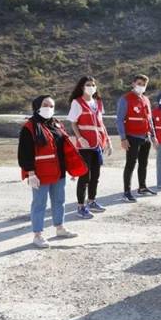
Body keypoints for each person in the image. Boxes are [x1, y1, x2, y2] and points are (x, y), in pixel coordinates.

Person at [19, 95, 87, 248]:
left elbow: (66, 149)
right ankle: (37, 235)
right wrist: (30, 172)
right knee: (39, 204)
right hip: (40, 174)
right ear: (37, 106)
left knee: (59, 201)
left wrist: (72, 169)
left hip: (59, 172)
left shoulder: (57, 124)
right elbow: (24, 153)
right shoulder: (29, 127)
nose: (49, 108)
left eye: (51, 106)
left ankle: (60, 228)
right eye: (45, 105)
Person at [67, 76, 112, 219]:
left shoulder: (98, 103)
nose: (91, 87)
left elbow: (101, 124)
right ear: (82, 87)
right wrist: (79, 137)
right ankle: (80, 206)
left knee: (96, 175)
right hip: (85, 145)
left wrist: (108, 141)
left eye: (93, 85)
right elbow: (73, 123)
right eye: (88, 84)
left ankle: (92, 201)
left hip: (97, 144)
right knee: (84, 176)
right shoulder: (77, 102)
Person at [117, 74, 157, 202]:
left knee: (143, 164)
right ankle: (127, 192)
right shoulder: (125, 99)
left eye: (144, 84)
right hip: (132, 137)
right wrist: (123, 138)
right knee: (130, 164)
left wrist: (153, 136)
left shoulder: (146, 99)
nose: (141, 86)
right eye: (139, 83)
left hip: (145, 137)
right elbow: (119, 120)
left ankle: (142, 187)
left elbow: (149, 119)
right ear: (133, 84)